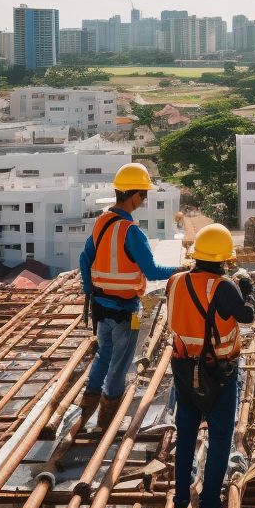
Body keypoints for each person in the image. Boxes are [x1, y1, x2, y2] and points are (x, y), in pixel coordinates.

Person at [166, 223, 255, 508]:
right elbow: (247, 316)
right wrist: (248, 289)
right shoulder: (223, 286)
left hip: (183, 368)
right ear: (224, 259)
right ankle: (208, 504)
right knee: (219, 437)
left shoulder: (175, 282)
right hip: (219, 372)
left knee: (187, 433)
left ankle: (180, 497)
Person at [79, 162, 180, 434]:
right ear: (134, 195)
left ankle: (86, 406)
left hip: (101, 306)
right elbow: (153, 271)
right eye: (143, 195)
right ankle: (106, 419)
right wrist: (182, 271)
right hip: (125, 310)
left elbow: (84, 257)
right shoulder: (130, 231)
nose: (143, 200)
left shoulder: (101, 223)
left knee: (103, 355)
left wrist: (89, 289)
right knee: (119, 365)